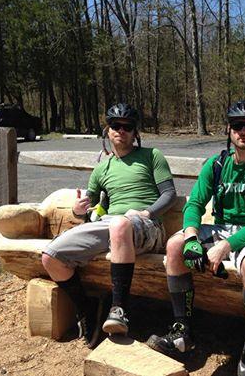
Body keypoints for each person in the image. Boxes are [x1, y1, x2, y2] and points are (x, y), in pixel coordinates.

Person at [147, 99, 245, 376]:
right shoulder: (217, 164)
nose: (243, 131)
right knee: (175, 246)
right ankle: (182, 332)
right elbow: (195, 204)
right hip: (219, 227)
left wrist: (226, 246)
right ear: (229, 130)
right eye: (237, 125)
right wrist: (192, 237)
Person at [41, 103, 176, 347]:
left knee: (120, 224)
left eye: (127, 127)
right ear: (108, 130)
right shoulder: (102, 168)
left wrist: (146, 212)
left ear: (135, 133)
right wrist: (78, 210)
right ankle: (87, 307)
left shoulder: (152, 156)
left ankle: (120, 309)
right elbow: (89, 203)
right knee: (51, 257)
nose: (121, 131)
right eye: (116, 126)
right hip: (111, 224)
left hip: (148, 227)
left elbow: (169, 194)